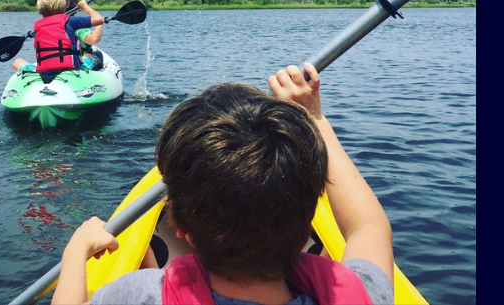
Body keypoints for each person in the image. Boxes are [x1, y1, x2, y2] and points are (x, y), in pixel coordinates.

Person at [51, 62, 395, 305]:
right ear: (309, 225)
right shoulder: (361, 293)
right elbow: (368, 227)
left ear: (179, 224)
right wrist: (314, 117)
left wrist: (75, 252)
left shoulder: (139, 294)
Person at [11, 0, 105, 75]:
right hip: (70, 70)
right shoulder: (70, 21)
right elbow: (99, 19)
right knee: (89, 56)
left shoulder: (37, 26)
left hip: (43, 71)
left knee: (17, 62)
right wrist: (85, 7)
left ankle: (34, 78)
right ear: (63, 7)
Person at [63, 0, 104, 71]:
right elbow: (94, 39)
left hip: (60, 60)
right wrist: (99, 23)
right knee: (98, 55)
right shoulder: (75, 25)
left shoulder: (50, 25)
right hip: (78, 60)